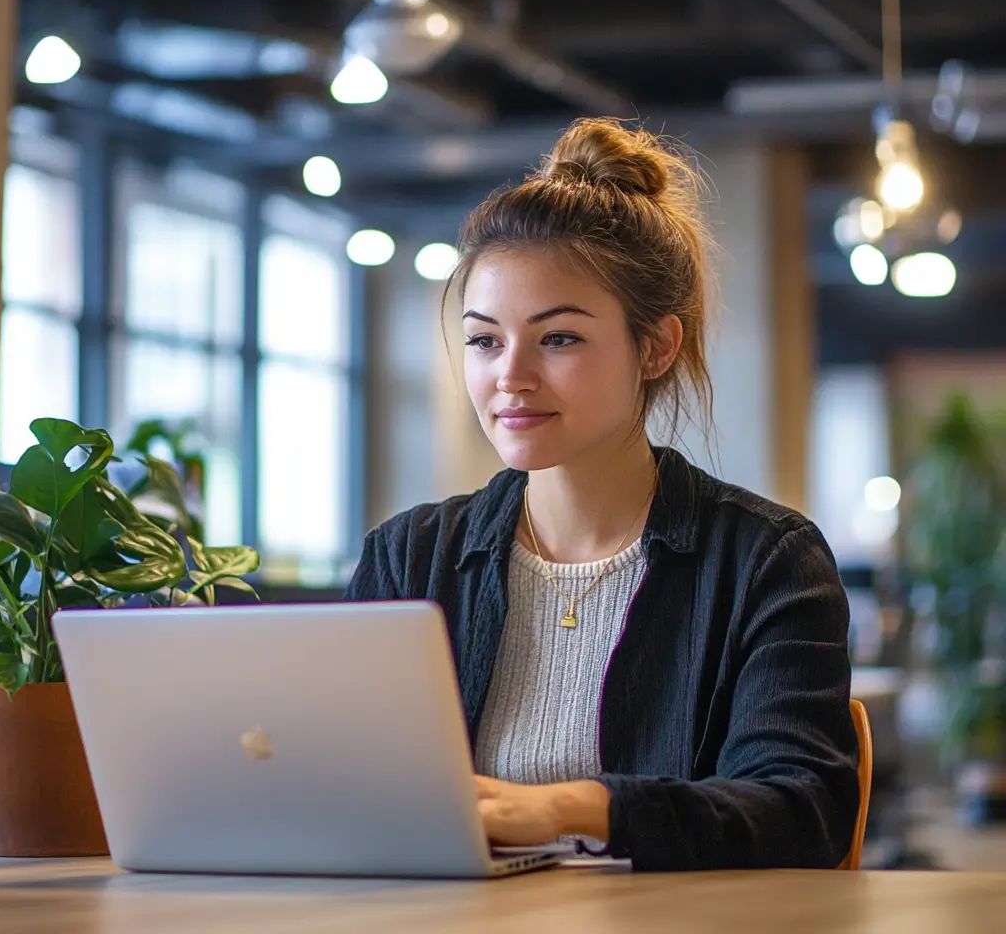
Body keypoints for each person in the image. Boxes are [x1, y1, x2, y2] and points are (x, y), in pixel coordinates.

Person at [345, 117, 859, 871]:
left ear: (655, 347)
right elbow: (343, 786)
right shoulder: (408, 558)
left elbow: (800, 810)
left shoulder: (765, 562)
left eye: (559, 338)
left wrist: (570, 808)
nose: (509, 377)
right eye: (485, 340)